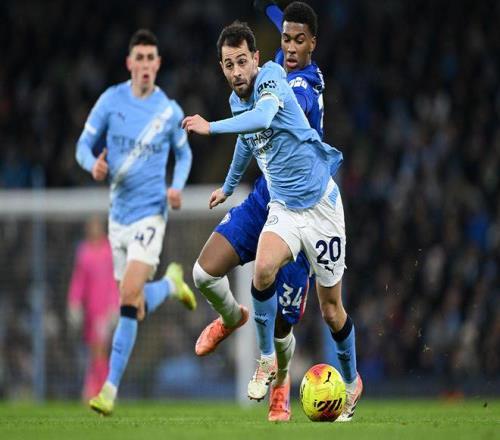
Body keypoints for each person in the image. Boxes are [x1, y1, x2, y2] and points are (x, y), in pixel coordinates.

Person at [182, 20, 362, 422]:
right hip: (281, 205)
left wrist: (209, 127)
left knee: (331, 310)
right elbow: (248, 141)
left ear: (256, 59)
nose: (236, 72)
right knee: (260, 270)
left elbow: (263, 119)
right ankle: (265, 359)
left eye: (242, 62)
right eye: (228, 65)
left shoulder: (273, 78)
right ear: (221, 67)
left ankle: (351, 381)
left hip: (321, 208)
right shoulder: (236, 100)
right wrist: (229, 186)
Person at [76, 29, 196, 416]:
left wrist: (176, 187)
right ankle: (171, 284)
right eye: (139, 58)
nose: (145, 65)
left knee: (128, 295)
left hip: (151, 215)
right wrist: (91, 164)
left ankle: (109, 390)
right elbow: (82, 145)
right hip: (119, 220)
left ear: (158, 64)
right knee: (135, 305)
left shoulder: (169, 112)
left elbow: (185, 154)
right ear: (129, 63)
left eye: (150, 59)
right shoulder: (110, 101)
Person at [67, 215, 119, 401]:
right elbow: (79, 279)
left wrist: (115, 305)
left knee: (100, 348)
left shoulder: (109, 250)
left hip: (105, 309)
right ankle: (97, 386)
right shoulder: (84, 250)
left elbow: (114, 279)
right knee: (94, 349)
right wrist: (74, 302)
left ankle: (100, 387)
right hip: (90, 309)